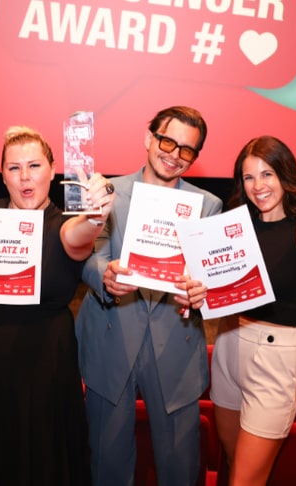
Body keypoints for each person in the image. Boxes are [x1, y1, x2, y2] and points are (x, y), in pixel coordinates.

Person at [184, 71, 296, 486]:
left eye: (267, 174)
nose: (258, 186)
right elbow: (211, 286)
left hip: (274, 359)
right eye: (249, 176)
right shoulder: (233, 227)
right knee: (232, 463)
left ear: (285, 175)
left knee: (245, 480)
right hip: (228, 344)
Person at [0, 126, 115, 485]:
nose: (25, 177)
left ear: (52, 170)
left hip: (45, 370)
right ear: (2, 175)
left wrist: (96, 216)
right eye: (14, 168)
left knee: (44, 463)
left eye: (34, 166)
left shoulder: (65, 223)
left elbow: (81, 235)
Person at [74, 106, 223, 485]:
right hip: (111, 337)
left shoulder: (207, 206)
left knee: (179, 466)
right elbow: (87, 253)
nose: (174, 155)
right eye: (167, 142)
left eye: (186, 150)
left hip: (175, 344)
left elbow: (210, 278)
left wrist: (202, 290)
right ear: (148, 138)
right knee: (107, 463)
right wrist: (104, 275)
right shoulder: (108, 192)